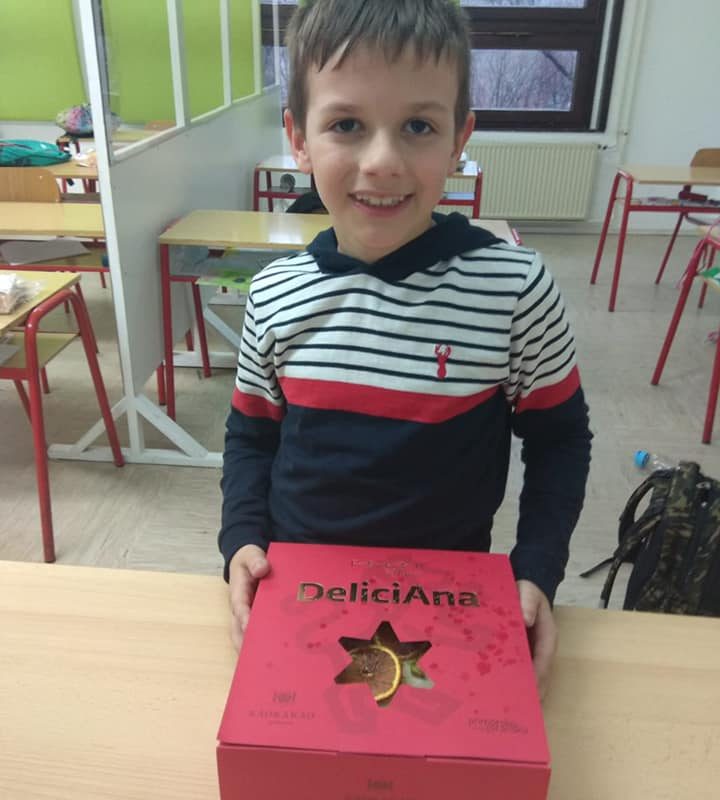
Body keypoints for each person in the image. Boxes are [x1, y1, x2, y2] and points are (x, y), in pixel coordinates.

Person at [219, 0, 592, 697]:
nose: (382, 162)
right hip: (300, 588)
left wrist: (536, 569)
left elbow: (561, 440)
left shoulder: (514, 288)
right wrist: (241, 539)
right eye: (347, 125)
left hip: (450, 597)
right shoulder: (274, 293)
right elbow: (251, 436)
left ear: (459, 140)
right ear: (299, 139)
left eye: (418, 126)